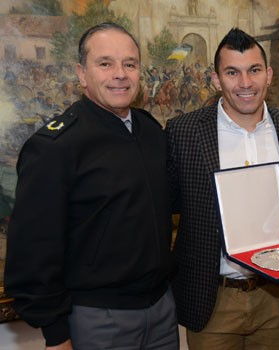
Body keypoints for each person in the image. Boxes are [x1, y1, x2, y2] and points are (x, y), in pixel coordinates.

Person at [4, 22, 178, 350]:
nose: (120, 74)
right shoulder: (55, 147)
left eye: (130, 64)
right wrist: (56, 336)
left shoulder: (151, 131)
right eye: (105, 63)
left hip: (161, 312)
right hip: (99, 319)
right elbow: (32, 250)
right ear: (82, 73)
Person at [166, 28, 279, 349]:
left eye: (254, 70)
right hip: (213, 299)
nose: (245, 83)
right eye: (232, 72)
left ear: (269, 74)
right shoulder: (184, 133)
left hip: (276, 296)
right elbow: (165, 207)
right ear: (217, 79)